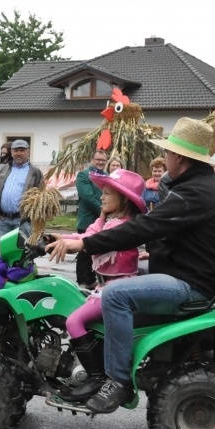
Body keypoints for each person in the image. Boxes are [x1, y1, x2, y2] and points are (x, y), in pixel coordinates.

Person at [46, 117, 215, 413]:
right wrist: (150, 253)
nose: (165, 157)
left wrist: (85, 244)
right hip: (188, 274)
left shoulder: (194, 192)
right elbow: (177, 235)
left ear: (180, 157)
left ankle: (116, 380)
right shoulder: (200, 187)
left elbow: (146, 227)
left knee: (114, 293)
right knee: (123, 276)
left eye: (168, 152)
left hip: (190, 286)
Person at [55, 169, 146, 402]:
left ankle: (96, 377)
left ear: (123, 199)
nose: (102, 197)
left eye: (106, 193)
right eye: (102, 193)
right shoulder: (107, 221)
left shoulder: (122, 227)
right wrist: (56, 238)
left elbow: (94, 242)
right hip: (102, 286)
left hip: (116, 287)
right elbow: (87, 235)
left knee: (73, 321)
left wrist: (73, 243)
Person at [0, 139, 44, 240]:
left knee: (20, 252)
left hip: (22, 220)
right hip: (3, 220)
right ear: (12, 152)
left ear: (28, 152)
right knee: (4, 253)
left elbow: (41, 197)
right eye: (16, 150)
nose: (18, 153)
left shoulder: (35, 173)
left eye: (22, 150)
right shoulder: (4, 170)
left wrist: (31, 218)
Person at [74, 150, 107, 288]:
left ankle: (92, 279)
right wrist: (104, 211)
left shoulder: (107, 176)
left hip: (103, 221)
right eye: (98, 159)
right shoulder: (83, 175)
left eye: (103, 160)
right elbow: (88, 197)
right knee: (84, 252)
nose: (100, 162)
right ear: (92, 159)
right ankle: (82, 281)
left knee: (99, 251)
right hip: (88, 220)